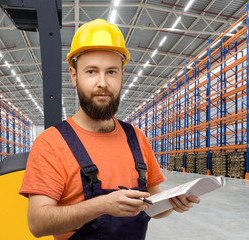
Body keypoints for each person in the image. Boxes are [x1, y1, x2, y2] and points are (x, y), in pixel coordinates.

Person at [19, 19, 200, 240]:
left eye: (112, 72)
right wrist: (102, 205)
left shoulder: (137, 139)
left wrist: (173, 203)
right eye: (92, 71)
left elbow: (153, 206)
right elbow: (37, 224)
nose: (102, 83)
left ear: (122, 76)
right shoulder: (51, 143)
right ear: (75, 76)